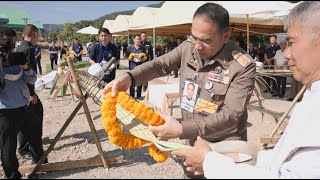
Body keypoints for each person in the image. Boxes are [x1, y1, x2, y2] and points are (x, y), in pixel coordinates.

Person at [103, 3, 255, 178]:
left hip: (224, 146)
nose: (197, 46)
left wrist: (181, 129)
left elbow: (231, 115)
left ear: (226, 36)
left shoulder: (242, 66)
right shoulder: (188, 47)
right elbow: (160, 65)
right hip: (193, 141)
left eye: (206, 41)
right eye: (194, 37)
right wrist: (129, 78)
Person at [172, 2, 320, 178]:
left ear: (225, 37)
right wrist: (243, 155)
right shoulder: (312, 97)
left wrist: (210, 161)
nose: (286, 54)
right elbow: (286, 159)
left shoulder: (242, 64)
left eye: (291, 42)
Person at [0, 27, 42, 179]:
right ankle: (13, 176)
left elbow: (31, 79)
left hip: (24, 107)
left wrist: (25, 67)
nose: (8, 47)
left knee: (35, 136)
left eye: (10, 43)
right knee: (8, 148)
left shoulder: (17, 57)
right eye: (5, 42)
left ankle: (40, 164)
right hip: (5, 112)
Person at [15, 24, 47, 165]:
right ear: (34, 33)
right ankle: (28, 147)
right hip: (27, 91)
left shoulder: (20, 46)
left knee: (25, 117)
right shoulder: (28, 49)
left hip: (20, 90)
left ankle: (24, 147)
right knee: (33, 117)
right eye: (38, 35)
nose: (38, 38)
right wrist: (32, 94)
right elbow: (29, 74)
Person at [126, 34, 147, 100]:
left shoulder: (143, 48)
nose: (138, 40)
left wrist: (142, 59)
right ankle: (132, 96)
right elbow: (127, 56)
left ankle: (138, 95)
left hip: (140, 67)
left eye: (139, 39)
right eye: (137, 39)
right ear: (134, 40)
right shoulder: (130, 48)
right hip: (132, 67)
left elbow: (145, 57)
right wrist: (132, 58)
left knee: (139, 81)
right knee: (132, 82)